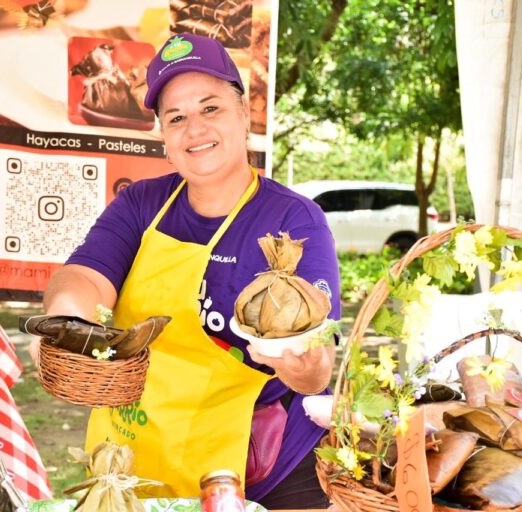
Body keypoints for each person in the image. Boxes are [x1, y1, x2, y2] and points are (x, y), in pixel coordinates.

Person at [33, 32, 340, 509]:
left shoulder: (292, 220)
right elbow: (86, 275)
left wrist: (302, 363)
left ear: (244, 113)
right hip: (139, 452)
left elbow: (318, 362)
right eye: (176, 117)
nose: (194, 129)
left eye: (210, 108)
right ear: (163, 136)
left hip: (259, 466)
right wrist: (68, 321)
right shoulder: (142, 203)